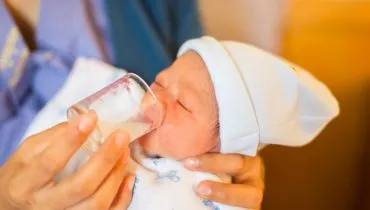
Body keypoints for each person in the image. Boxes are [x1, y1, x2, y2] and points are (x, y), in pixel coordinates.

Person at [0, 36, 338, 209]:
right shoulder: (112, 112)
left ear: (218, 149)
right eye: (160, 82)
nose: (156, 99)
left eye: (184, 105)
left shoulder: (197, 190)